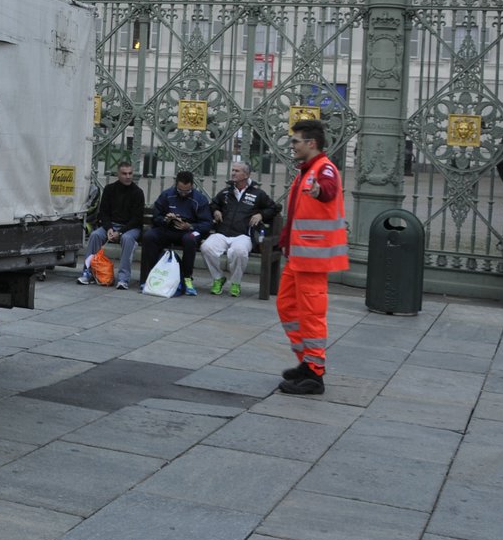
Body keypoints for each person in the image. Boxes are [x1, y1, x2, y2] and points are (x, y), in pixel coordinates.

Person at [275, 119, 348, 395]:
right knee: (286, 306)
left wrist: (319, 191)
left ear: (311, 144)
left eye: (296, 141)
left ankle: (315, 373)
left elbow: (327, 189)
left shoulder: (323, 169)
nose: (292, 145)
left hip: (314, 256)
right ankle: (307, 361)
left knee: (311, 314)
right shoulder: (306, 170)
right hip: (300, 255)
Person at [205, 160, 279, 296]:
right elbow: (213, 204)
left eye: (236, 171)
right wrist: (216, 210)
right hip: (223, 233)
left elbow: (274, 208)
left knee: (239, 252)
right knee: (207, 247)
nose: (233, 173)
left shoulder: (258, 194)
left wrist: (261, 214)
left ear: (246, 175)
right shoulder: (226, 192)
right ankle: (218, 278)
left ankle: (235, 282)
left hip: (243, 235)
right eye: (232, 170)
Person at [141, 171, 213, 297]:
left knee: (190, 240)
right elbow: (156, 218)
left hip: (188, 231)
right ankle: (151, 275)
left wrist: (190, 226)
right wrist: (165, 219)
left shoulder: (199, 199)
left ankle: (187, 278)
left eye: (187, 191)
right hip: (168, 229)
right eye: (180, 191)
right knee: (149, 236)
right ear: (176, 185)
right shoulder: (167, 195)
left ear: (192, 186)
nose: (183, 194)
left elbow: (207, 223)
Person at [78, 161, 145, 289]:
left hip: (130, 228)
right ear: (118, 174)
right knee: (95, 235)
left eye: (130, 173)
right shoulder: (109, 189)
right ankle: (88, 272)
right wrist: (109, 228)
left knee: (127, 239)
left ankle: (123, 279)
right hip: (111, 226)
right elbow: (104, 213)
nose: (128, 176)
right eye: (124, 173)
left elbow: (136, 219)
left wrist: (120, 232)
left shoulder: (138, 193)